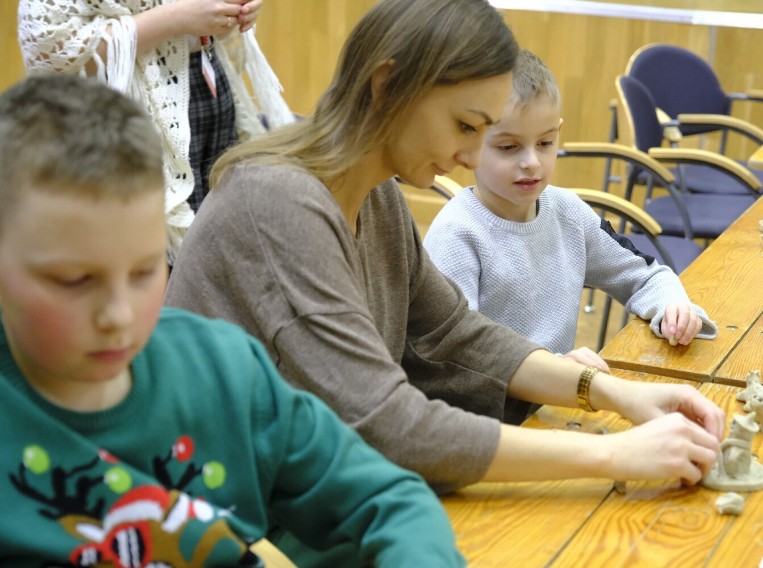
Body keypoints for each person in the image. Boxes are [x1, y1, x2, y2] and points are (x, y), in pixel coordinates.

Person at [165, 0, 725, 501]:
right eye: (464, 126)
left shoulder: (374, 191)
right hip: (228, 512)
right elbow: (386, 419)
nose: (466, 157)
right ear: (387, 85)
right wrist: (614, 455)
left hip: (303, 491)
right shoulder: (277, 203)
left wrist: (615, 395)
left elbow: (456, 331)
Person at [0, 74, 463, 567]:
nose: (117, 315)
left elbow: (389, 501)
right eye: (74, 281)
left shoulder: (223, 371)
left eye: (144, 270)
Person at [423, 49, 717, 358]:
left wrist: (673, 306)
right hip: (487, 405)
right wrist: (555, 370)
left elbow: (644, 275)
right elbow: (456, 359)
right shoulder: (455, 236)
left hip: (559, 394)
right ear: (468, 144)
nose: (532, 162)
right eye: (508, 147)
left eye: (545, 143)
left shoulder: (569, 212)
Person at [18, 0, 295, 261]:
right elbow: (50, 50)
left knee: (218, 251)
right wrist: (177, 18)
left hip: (206, 87)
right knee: (151, 261)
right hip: (123, 112)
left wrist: (231, 10)